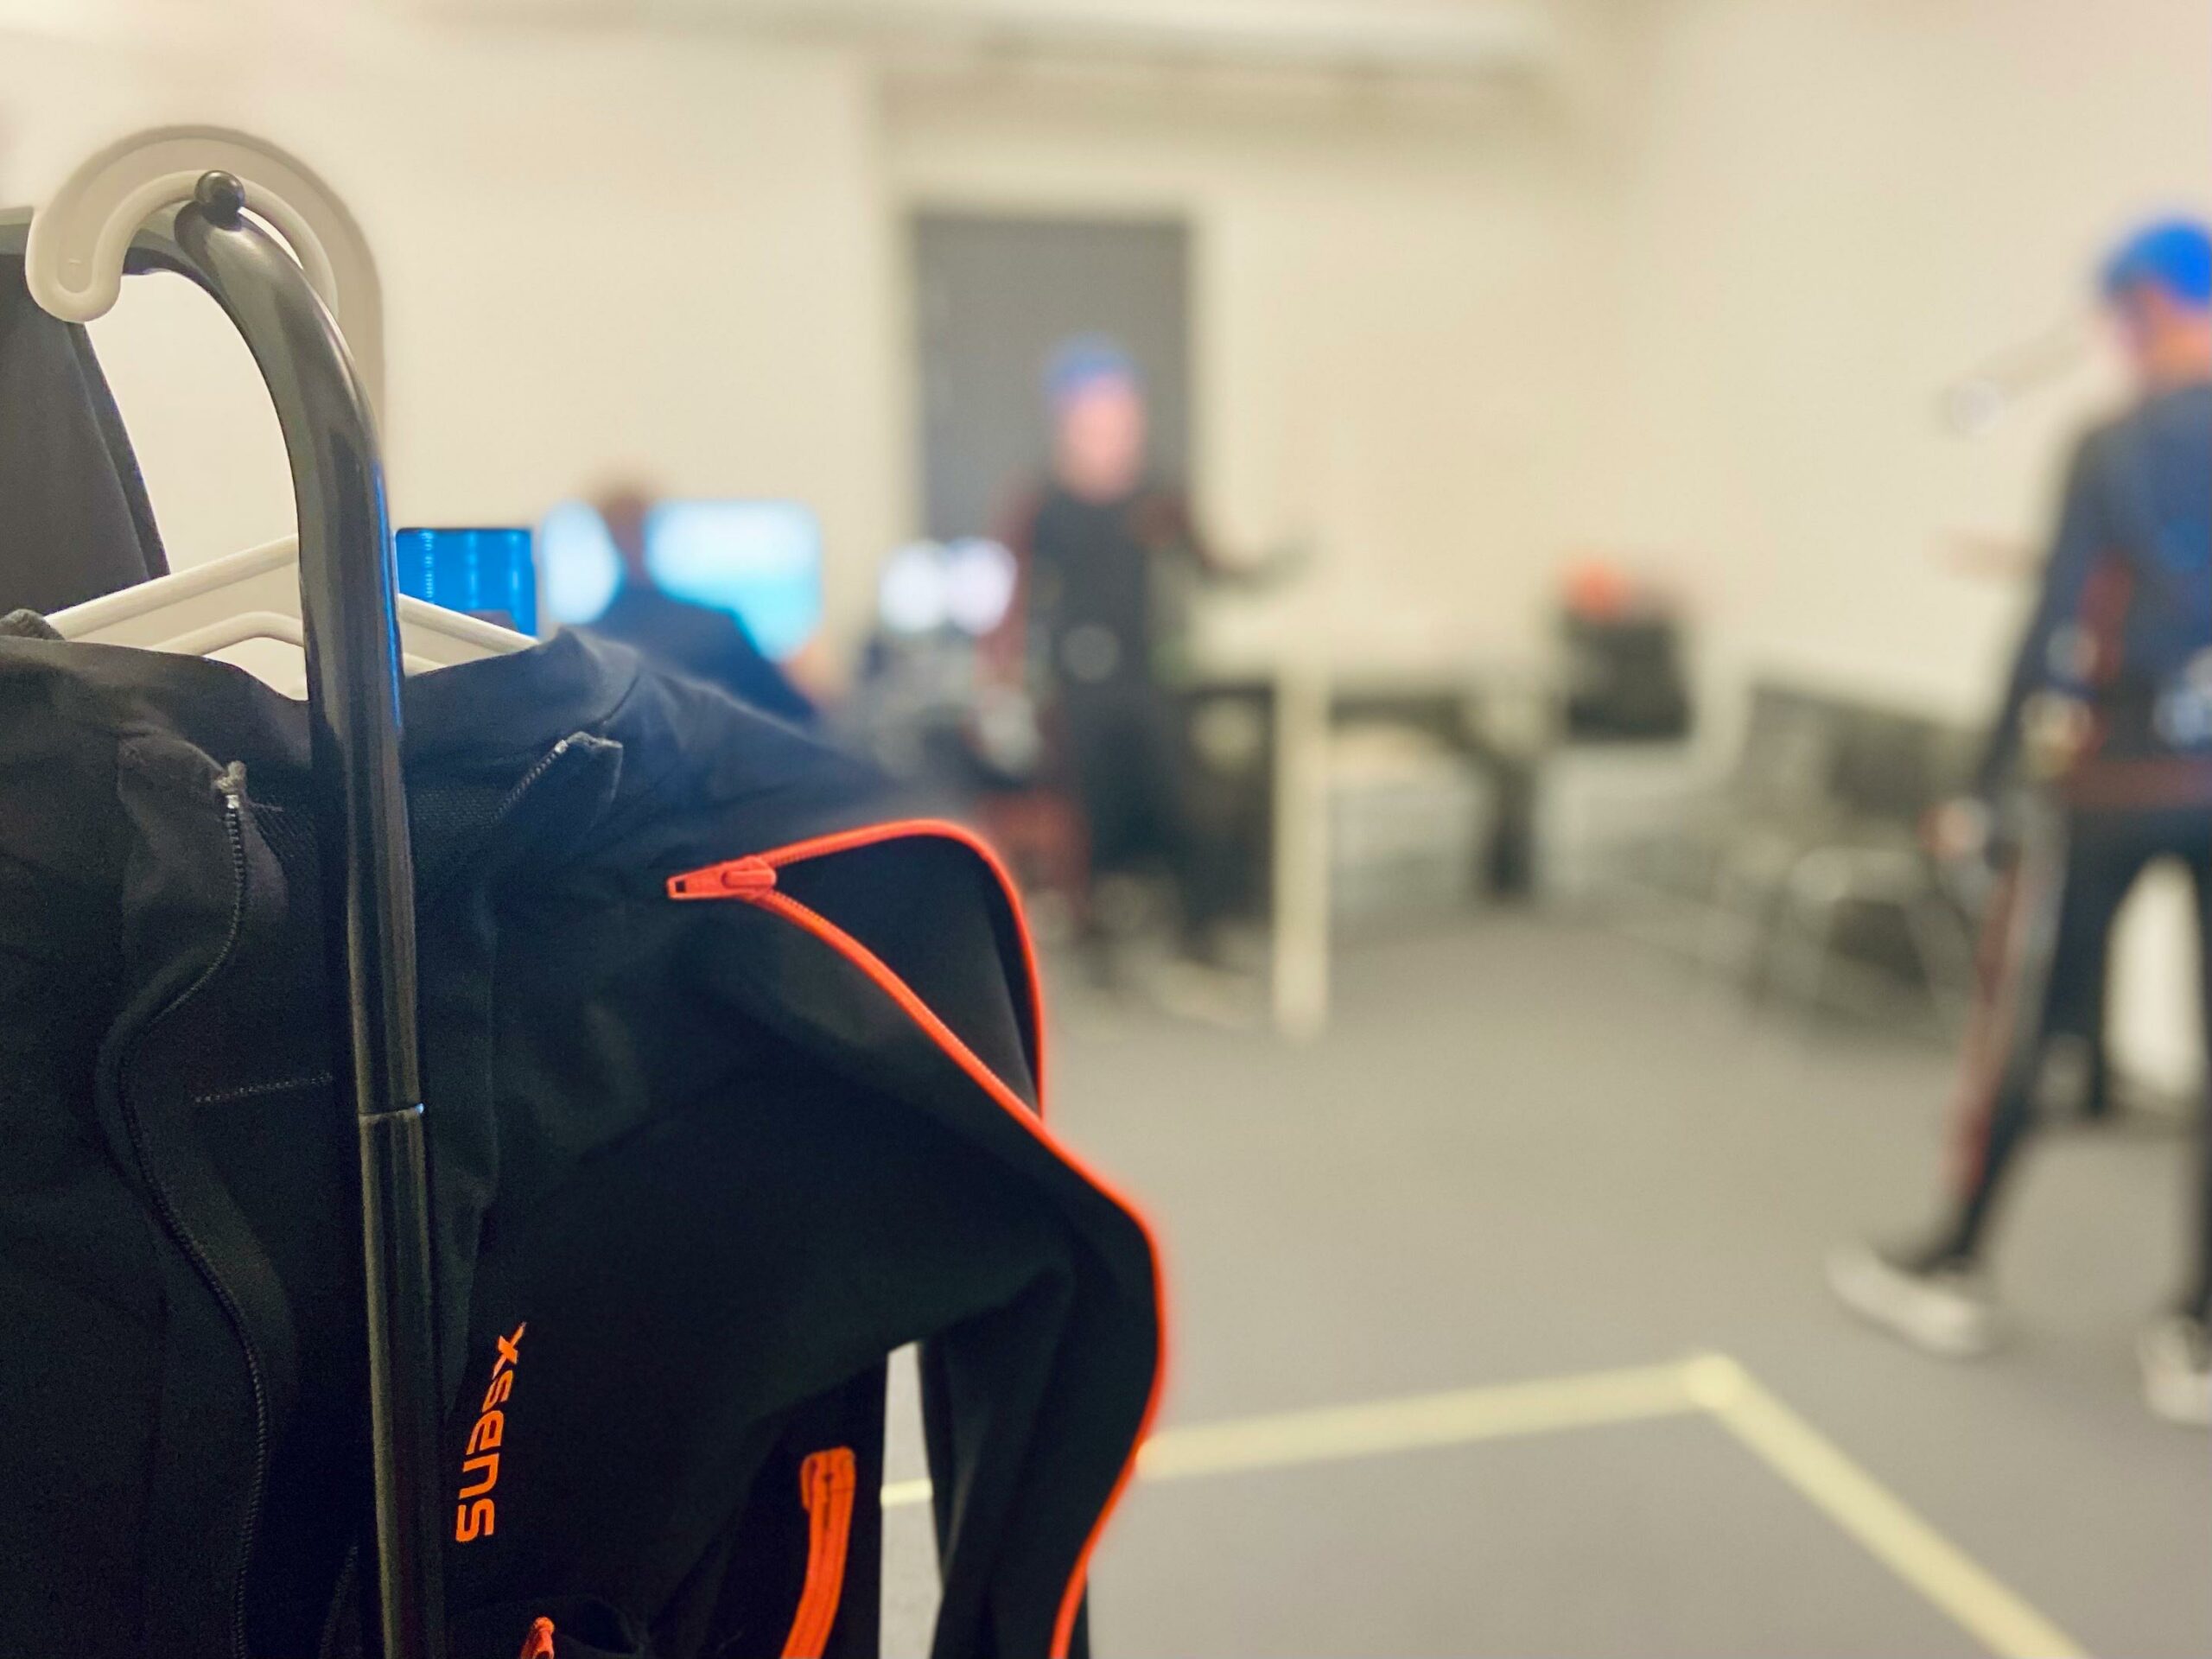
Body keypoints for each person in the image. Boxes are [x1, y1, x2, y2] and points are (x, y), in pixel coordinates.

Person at [1830, 219, 2212, 1427]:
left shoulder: (2115, 445)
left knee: (2029, 1026)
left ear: (2146, 308)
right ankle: (2201, 1335)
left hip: (2115, 786)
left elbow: (2055, 622)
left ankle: (1953, 1267)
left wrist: (1982, 785)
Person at [988, 338, 1242, 973]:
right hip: (1078, 683)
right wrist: (999, 672)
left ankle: (1198, 936)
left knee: (1184, 798)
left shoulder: (1158, 497)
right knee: (1088, 814)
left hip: (1147, 675)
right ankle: (1096, 947)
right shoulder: (1040, 503)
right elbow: (1012, 595)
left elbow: (1213, 565)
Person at [584, 485, 814, 724]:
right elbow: (794, 713)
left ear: (606, 533)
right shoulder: (716, 628)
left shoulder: (590, 644)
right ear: (653, 529)